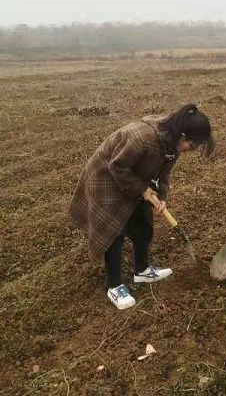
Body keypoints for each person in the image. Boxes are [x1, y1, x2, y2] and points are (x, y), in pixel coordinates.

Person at [69, 103, 214, 310]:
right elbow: (117, 166)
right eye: (192, 146)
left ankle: (142, 270)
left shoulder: (172, 144)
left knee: (143, 222)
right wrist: (142, 189)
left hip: (134, 177)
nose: (191, 150)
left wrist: (161, 197)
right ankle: (114, 286)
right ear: (182, 135)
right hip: (106, 177)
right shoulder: (143, 138)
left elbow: (164, 173)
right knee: (113, 232)